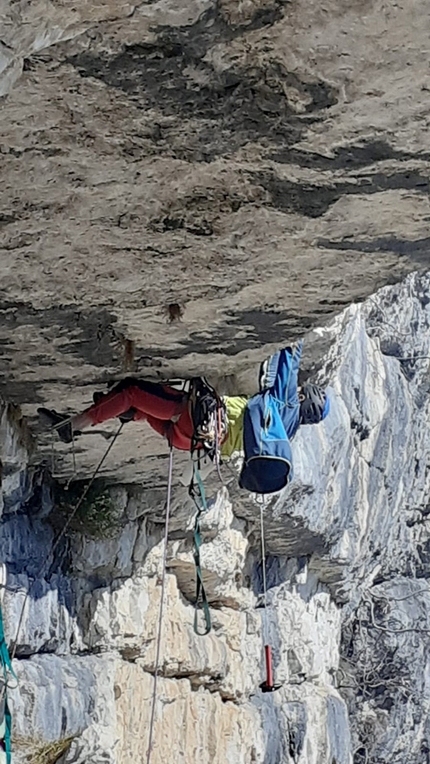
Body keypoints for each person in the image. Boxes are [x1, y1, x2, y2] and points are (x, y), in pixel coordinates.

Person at [39, 341, 329, 493]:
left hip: (199, 418)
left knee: (133, 393)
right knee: (140, 406)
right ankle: (118, 409)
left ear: (304, 397)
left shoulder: (287, 404)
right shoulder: (284, 436)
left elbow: (287, 363)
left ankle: (71, 426)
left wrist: (297, 336)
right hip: (191, 441)